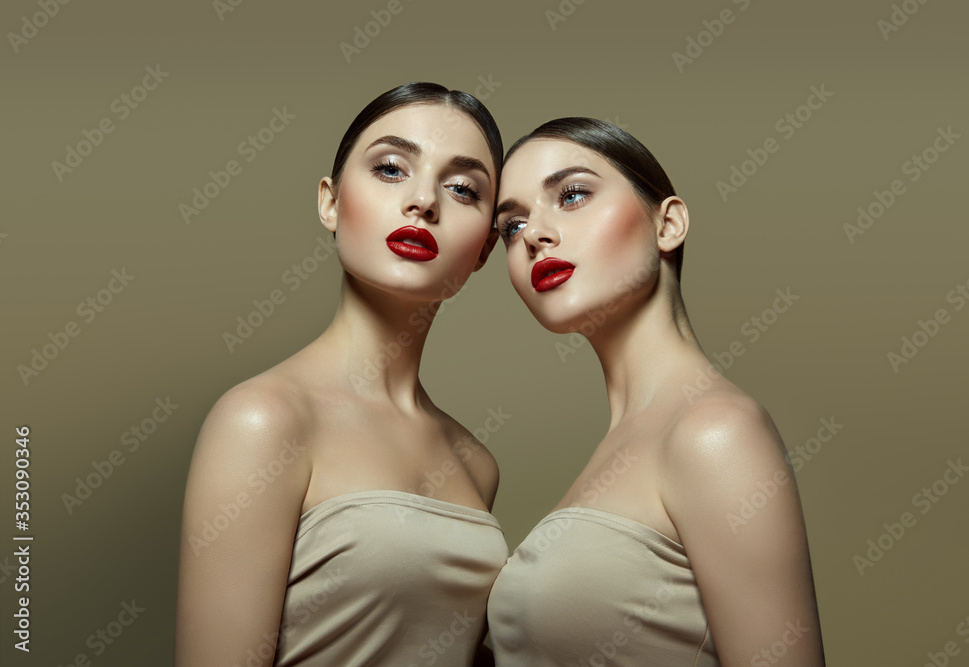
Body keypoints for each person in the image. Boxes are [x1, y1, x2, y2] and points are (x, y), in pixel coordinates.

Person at [175, 82, 507, 667]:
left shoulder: (474, 463)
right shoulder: (264, 420)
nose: (423, 200)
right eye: (390, 168)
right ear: (330, 201)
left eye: (462, 188)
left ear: (483, 250)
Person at [486, 118, 825, 666]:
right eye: (511, 225)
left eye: (571, 195)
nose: (533, 235)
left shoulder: (714, 434)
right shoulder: (622, 447)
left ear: (668, 223)